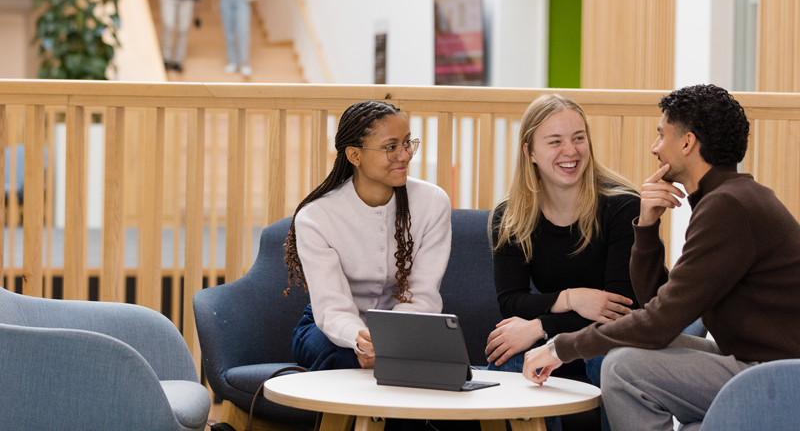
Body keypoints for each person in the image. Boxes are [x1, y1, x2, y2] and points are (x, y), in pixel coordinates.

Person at [522, 84, 800, 431]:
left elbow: (661, 322)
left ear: (687, 143)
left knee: (624, 368)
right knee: (623, 352)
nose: (655, 148)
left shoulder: (728, 207)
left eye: (661, 135)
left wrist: (561, 348)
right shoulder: (732, 198)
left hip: (779, 376)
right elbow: (657, 303)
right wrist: (648, 226)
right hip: (756, 364)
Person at [486, 94, 639, 431]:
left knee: (607, 359)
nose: (570, 151)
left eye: (578, 138)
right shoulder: (511, 216)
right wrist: (573, 298)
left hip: (620, 335)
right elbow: (511, 301)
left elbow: (619, 310)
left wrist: (541, 326)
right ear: (530, 152)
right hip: (570, 327)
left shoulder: (623, 206)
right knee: (505, 355)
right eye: (555, 141)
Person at [284, 100, 452, 371]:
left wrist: (390, 341)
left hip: (406, 327)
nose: (405, 155)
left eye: (407, 143)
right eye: (391, 147)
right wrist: (360, 340)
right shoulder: (316, 216)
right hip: (332, 330)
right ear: (354, 155)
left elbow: (422, 295)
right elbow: (331, 308)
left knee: (435, 364)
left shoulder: (433, 203)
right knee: (345, 360)